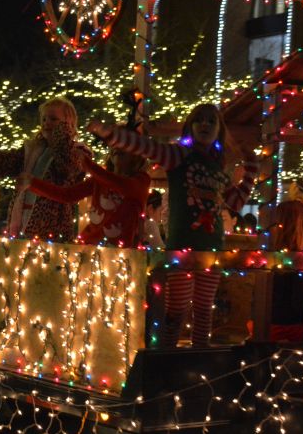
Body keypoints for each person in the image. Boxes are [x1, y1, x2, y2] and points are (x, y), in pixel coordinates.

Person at [88, 103, 260, 347]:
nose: (205, 124)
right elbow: (145, 146)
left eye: (211, 120)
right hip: (182, 248)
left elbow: (236, 201)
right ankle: (168, 358)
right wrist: (111, 134)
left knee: (204, 311)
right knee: (175, 311)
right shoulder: (179, 155)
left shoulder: (218, 167)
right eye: (199, 119)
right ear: (190, 126)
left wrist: (252, 167)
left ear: (219, 130)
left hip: (211, 249)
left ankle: (199, 358)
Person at [0, 97, 91, 241]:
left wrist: (62, 135)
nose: (47, 123)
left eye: (53, 119)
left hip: (54, 227)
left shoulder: (77, 152)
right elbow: (7, 164)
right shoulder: (33, 150)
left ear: (68, 124)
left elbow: (68, 168)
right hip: (23, 221)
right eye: (44, 119)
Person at [17, 129, 150, 247]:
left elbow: (124, 186)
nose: (117, 147)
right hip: (88, 247)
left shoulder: (141, 180)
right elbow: (67, 195)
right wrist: (32, 183)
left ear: (136, 152)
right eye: (115, 143)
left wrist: (89, 165)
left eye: (124, 143)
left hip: (124, 253)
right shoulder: (99, 179)